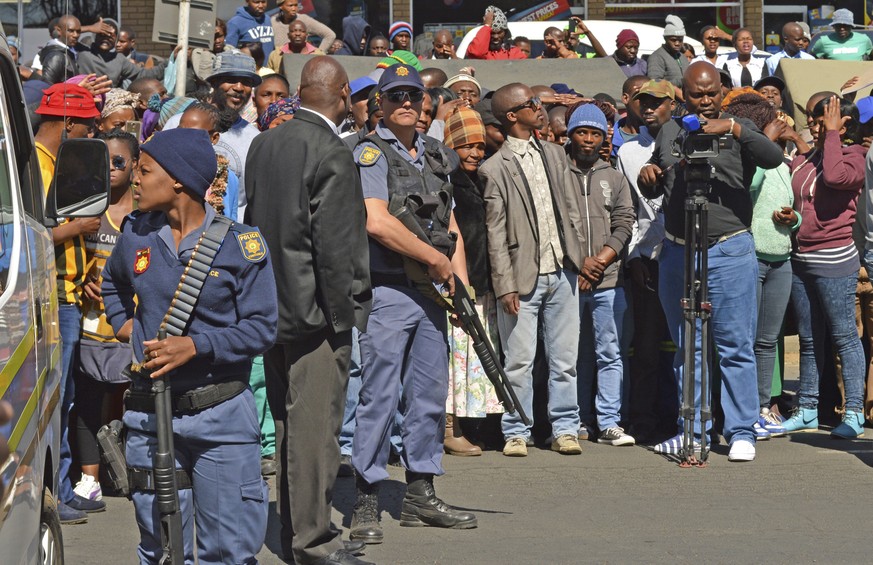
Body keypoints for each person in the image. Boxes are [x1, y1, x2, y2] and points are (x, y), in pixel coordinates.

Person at [245, 56, 373, 565]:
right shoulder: (331, 152)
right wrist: (345, 318)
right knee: (316, 434)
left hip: (271, 308)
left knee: (288, 425)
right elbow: (335, 250)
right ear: (343, 94)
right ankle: (313, 544)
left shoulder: (264, 144)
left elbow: (259, 227)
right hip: (317, 315)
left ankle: (296, 530)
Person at [349, 64, 476, 545]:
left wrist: (458, 284)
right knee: (379, 396)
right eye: (395, 94)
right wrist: (436, 264)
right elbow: (376, 222)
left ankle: (420, 493)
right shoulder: (368, 151)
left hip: (432, 293)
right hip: (389, 289)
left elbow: (452, 228)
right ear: (379, 103)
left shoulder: (437, 155)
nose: (406, 102)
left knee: (427, 394)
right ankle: (366, 497)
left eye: (414, 95)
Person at [638, 61, 784, 462]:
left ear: (722, 90)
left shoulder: (741, 127)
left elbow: (773, 158)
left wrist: (735, 129)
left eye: (711, 94)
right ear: (683, 94)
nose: (704, 102)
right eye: (696, 95)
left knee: (735, 345)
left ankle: (741, 431)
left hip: (729, 248)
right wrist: (647, 176)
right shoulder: (671, 129)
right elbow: (656, 177)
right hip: (678, 249)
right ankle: (693, 430)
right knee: (688, 346)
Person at [480, 83, 585, 457]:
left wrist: (578, 257)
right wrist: (504, 285)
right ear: (512, 116)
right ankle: (516, 430)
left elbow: (571, 209)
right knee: (519, 361)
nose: (541, 108)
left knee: (564, 360)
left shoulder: (555, 154)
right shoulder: (494, 167)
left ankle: (565, 428)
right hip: (523, 277)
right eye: (532, 104)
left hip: (563, 270)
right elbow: (495, 232)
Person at [34, 83, 106, 524]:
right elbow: (29, 236)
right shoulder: (35, 170)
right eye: (86, 126)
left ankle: (57, 490)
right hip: (52, 299)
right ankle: (55, 493)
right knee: (55, 400)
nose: (90, 134)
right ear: (66, 123)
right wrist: (76, 227)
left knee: (65, 396)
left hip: (71, 295)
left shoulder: (56, 165)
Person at [783, 95, 867, 438]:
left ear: (844, 125)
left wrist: (831, 135)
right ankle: (806, 408)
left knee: (845, 337)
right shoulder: (808, 158)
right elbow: (800, 194)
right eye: (815, 121)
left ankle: (855, 413)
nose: (815, 126)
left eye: (823, 120)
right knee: (809, 337)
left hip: (835, 261)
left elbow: (834, 177)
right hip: (802, 258)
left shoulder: (856, 157)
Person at [721, 90, 797, 438]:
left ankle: (764, 407)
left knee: (768, 340)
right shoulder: (748, 156)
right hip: (751, 257)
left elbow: (792, 204)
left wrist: (792, 218)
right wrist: (763, 143)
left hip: (781, 258)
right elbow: (747, 188)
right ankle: (746, 410)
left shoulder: (783, 161)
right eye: (771, 121)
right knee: (746, 339)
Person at [72, 130, 138, 504]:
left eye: (119, 162)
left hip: (129, 327)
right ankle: (90, 480)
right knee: (88, 399)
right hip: (89, 324)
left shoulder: (145, 214)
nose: (111, 169)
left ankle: (125, 470)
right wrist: (82, 282)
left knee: (127, 399)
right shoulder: (84, 210)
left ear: (134, 167)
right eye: (104, 162)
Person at [565, 103, 635, 446]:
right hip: (569, 280)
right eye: (582, 132)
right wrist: (581, 263)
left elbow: (624, 224)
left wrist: (601, 262)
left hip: (609, 281)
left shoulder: (615, 177)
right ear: (571, 135)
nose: (589, 140)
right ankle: (577, 420)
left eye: (595, 133)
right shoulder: (558, 173)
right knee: (573, 355)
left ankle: (609, 421)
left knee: (610, 352)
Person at [616, 79, 676, 443]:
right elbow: (630, 211)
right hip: (648, 259)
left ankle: (682, 414)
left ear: (672, 105)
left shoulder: (686, 142)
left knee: (684, 344)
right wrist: (634, 256)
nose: (649, 107)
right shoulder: (627, 152)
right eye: (644, 102)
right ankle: (644, 418)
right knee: (648, 345)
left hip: (685, 254)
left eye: (657, 102)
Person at [443, 107, 502, 455]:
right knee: (454, 361)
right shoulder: (444, 180)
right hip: (454, 285)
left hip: (482, 284)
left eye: (479, 146)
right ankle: (449, 428)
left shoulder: (480, 180)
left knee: (474, 360)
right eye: (466, 145)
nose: (475, 153)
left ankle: (470, 425)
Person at [77, 19, 167, 87]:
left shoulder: (118, 59)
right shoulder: (82, 51)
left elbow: (144, 75)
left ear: (116, 39)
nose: (105, 38)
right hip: (84, 99)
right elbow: (65, 34)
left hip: (108, 104)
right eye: (102, 34)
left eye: (110, 36)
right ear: (95, 35)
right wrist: (89, 28)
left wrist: (168, 61)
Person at [271, 0, 335, 53]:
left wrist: (318, 55)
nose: (294, 9)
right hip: (279, 63)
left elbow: (329, 35)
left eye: (296, 5)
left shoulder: (304, 19)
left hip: (301, 62)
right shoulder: (273, 21)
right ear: (281, 6)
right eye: (290, 6)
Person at [647, 15, 688, 96]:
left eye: (680, 40)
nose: (677, 43)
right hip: (667, 103)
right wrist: (681, 82)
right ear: (665, 38)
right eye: (673, 40)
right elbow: (655, 83)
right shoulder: (657, 57)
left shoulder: (682, 57)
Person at [36, 14, 80, 84]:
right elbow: (46, 87)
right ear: (59, 30)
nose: (75, 35)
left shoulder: (69, 52)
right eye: (71, 31)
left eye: (78, 31)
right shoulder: (56, 56)